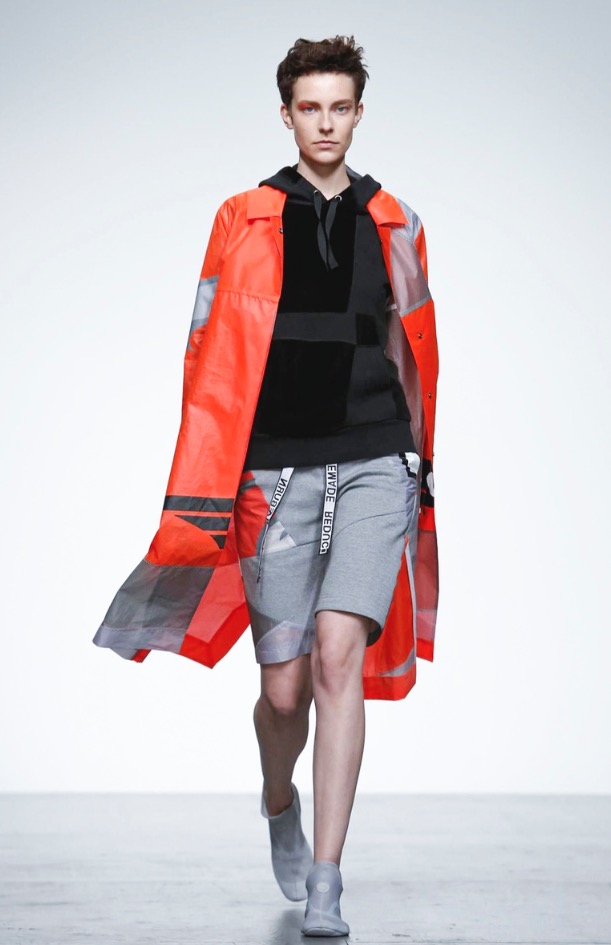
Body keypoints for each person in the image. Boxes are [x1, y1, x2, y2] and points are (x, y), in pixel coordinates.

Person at [93, 35, 439, 938]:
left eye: (339, 107)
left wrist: (417, 462)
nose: (325, 123)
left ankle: (327, 879)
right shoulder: (241, 216)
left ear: (358, 114)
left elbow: (412, 349)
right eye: (308, 108)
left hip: (375, 460)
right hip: (272, 470)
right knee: (283, 689)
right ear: (285, 115)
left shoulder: (396, 221)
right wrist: (210, 469)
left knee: (337, 656)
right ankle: (278, 798)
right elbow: (206, 348)